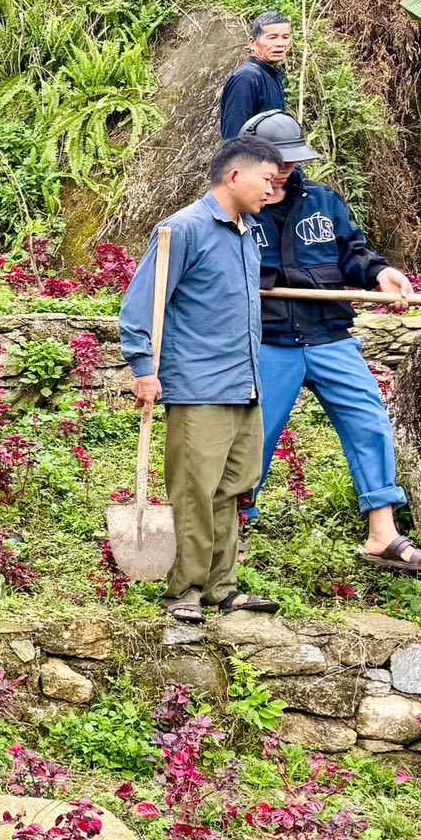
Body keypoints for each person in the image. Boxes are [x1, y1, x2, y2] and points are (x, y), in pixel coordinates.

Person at [244, 110, 421, 572]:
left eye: (291, 163)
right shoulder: (234, 211)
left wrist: (381, 272)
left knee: (369, 422)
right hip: (269, 341)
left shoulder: (324, 201)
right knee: (255, 435)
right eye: (276, 163)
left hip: (329, 336)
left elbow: (354, 252)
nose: (284, 172)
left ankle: (383, 534)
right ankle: (233, 527)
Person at [119, 135, 284, 623]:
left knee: (232, 489)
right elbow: (139, 309)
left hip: (243, 383)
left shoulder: (247, 232)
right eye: (266, 180)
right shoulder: (182, 230)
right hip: (199, 387)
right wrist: (143, 369)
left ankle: (221, 587)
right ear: (235, 176)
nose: (272, 191)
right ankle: (184, 592)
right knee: (195, 490)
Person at [219, 10, 291, 140]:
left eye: (285, 37)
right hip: (253, 159)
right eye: (272, 37)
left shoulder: (272, 75)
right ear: (252, 42)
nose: (280, 43)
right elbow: (233, 137)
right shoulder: (247, 78)